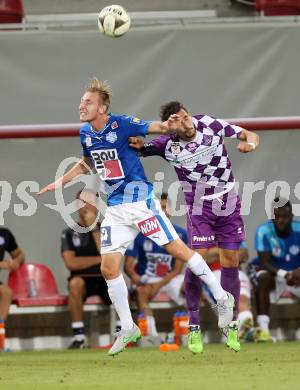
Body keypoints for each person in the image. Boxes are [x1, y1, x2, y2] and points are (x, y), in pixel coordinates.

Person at [38, 78, 234, 356]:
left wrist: (172, 123)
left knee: (179, 250)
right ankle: (129, 327)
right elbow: (87, 162)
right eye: (82, 101)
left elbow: (157, 128)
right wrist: (61, 182)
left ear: (103, 108)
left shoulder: (121, 124)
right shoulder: (85, 132)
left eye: (88, 102)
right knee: (109, 269)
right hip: (116, 209)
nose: (82, 105)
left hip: (141, 202)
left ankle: (222, 297)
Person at [129, 100, 259, 352]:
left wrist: (249, 143)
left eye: (186, 116)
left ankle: (231, 325)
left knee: (230, 260)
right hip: (199, 208)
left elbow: (249, 134)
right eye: (179, 120)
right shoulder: (167, 145)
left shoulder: (208, 124)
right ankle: (194, 324)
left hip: (228, 201)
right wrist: (130, 141)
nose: (187, 122)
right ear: (170, 126)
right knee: (196, 259)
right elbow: (138, 149)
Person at [124, 193, 187, 337]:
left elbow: (177, 269)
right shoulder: (137, 234)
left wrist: (159, 284)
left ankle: (186, 330)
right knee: (141, 292)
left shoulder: (181, 234)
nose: (161, 211)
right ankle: (151, 336)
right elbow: (128, 266)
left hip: (171, 278)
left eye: (164, 207)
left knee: (190, 286)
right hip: (148, 278)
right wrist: (138, 280)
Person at [61, 189, 111, 349]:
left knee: (119, 281)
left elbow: (109, 258)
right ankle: (79, 336)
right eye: (82, 202)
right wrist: (99, 259)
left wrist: (93, 228)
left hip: (104, 277)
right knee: (75, 284)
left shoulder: (107, 228)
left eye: (90, 202)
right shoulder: (69, 232)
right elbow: (71, 263)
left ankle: (122, 332)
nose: (85, 206)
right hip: (82, 280)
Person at [254, 198, 300, 342]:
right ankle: (264, 330)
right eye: (276, 216)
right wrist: (285, 274)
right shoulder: (264, 231)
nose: (280, 220)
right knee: (262, 278)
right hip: (276, 276)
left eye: (284, 216)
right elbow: (264, 262)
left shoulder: (299, 229)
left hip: (297, 275)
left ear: (291, 217)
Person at [0, 227, 25, 340]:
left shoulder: (4, 234)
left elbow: (19, 254)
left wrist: (16, 261)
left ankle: (0, 330)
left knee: (6, 292)